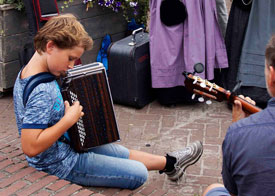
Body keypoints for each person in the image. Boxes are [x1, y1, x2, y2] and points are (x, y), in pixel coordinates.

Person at [13, 13, 203, 190]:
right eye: (70, 58)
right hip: (60, 163)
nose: (70, 66)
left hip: (67, 144)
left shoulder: (31, 69)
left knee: (117, 151)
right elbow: (30, 147)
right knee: (138, 174)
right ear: (50, 46)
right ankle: (170, 164)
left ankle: (171, 163)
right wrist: (67, 121)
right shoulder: (42, 90)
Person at [203, 34, 275, 196]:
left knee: (214, 190)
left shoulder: (239, 133)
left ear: (272, 75)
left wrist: (240, 129)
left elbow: (234, 190)